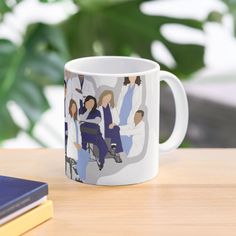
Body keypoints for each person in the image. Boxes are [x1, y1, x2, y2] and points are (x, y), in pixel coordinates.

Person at [79, 96, 108, 170]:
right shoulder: (81, 109)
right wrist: (88, 110)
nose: (91, 104)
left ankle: (101, 161)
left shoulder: (97, 111)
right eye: (89, 102)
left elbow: (97, 121)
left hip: (95, 134)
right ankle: (81, 165)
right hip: (84, 134)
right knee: (82, 149)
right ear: (86, 102)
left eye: (93, 103)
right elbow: (81, 118)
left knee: (104, 148)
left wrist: (85, 121)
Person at [66, 99, 90, 182]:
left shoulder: (76, 119)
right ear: (69, 108)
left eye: (75, 107)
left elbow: (78, 134)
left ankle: (79, 172)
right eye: (72, 107)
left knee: (86, 156)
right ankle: (78, 175)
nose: (74, 109)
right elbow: (70, 134)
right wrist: (75, 144)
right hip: (73, 144)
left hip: (78, 144)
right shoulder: (69, 119)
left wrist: (79, 144)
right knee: (83, 157)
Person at [98, 90, 123, 163]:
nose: (107, 99)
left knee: (116, 128)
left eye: (109, 98)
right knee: (117, 130)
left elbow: (117, 120)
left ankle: (113, 149)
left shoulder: (112, 107)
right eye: (106, 97)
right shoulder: (97, 107)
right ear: (102, 96)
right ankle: (116, 153)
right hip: (102, 129)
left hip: (111, 128)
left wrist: (113, 124)